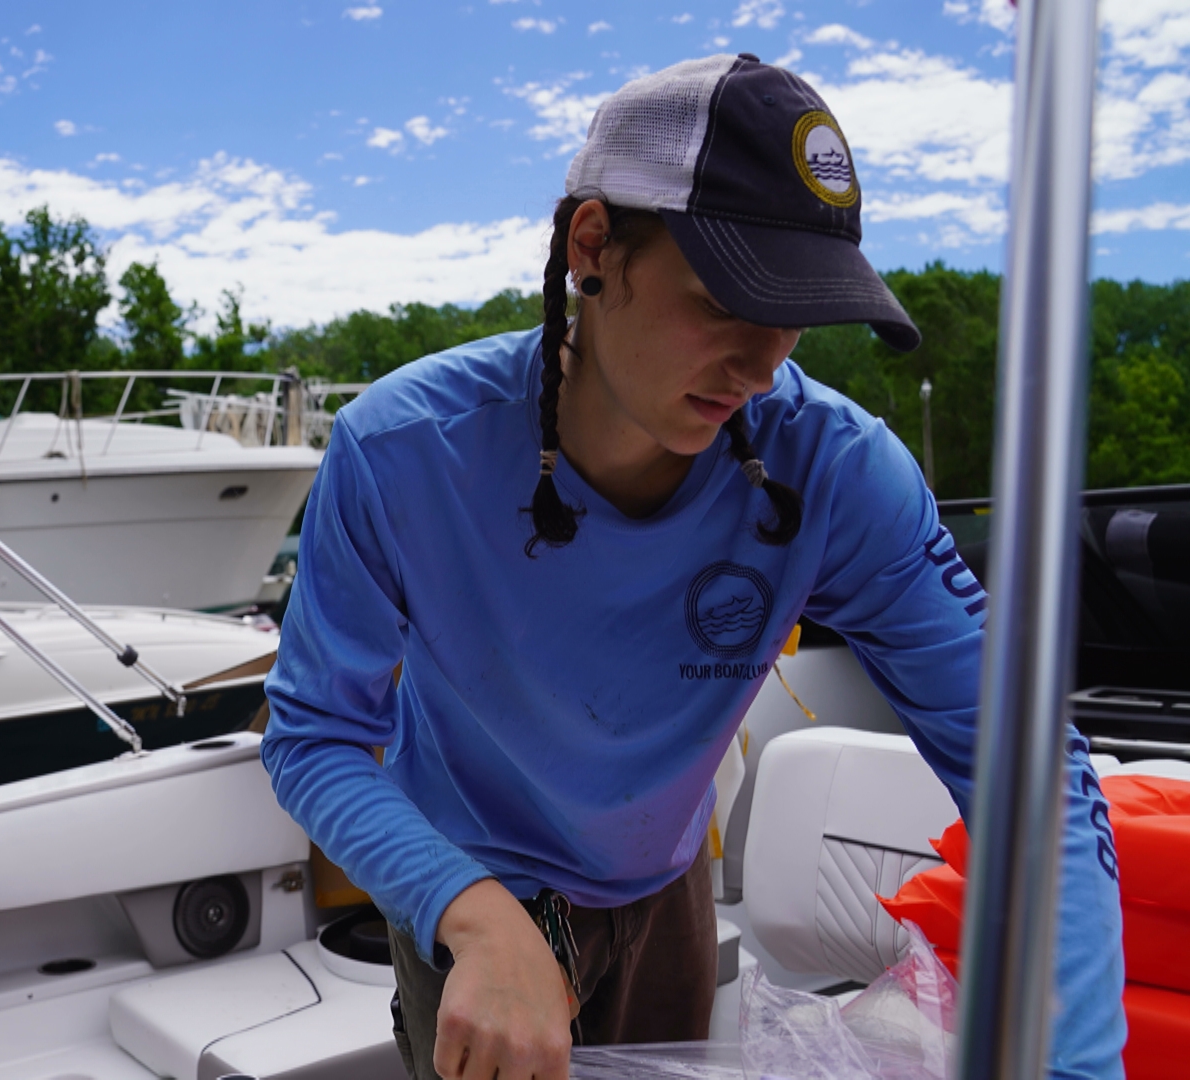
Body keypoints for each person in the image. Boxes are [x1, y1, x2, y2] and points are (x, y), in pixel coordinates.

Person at [261, 54, 1127, 1080]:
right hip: (464, 883)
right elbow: (315, 738)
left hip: (665, 883)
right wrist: (477, 921)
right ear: (594, 245)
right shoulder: (403, 453)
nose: (765, 364)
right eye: (727, 297)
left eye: (798, 307)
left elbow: (1030, 771)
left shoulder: (837, 473)